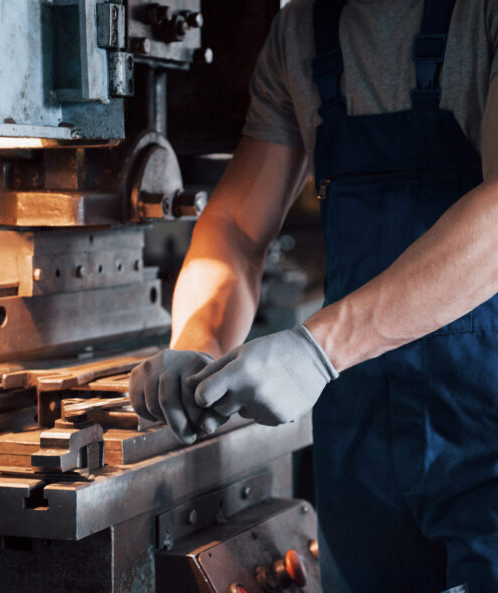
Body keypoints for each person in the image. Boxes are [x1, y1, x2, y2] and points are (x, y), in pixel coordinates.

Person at [130, 0, 498, 590]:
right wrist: (198, 340)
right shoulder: (299, 33)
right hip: (361, 447)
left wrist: (317, 350)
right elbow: (237, 233)